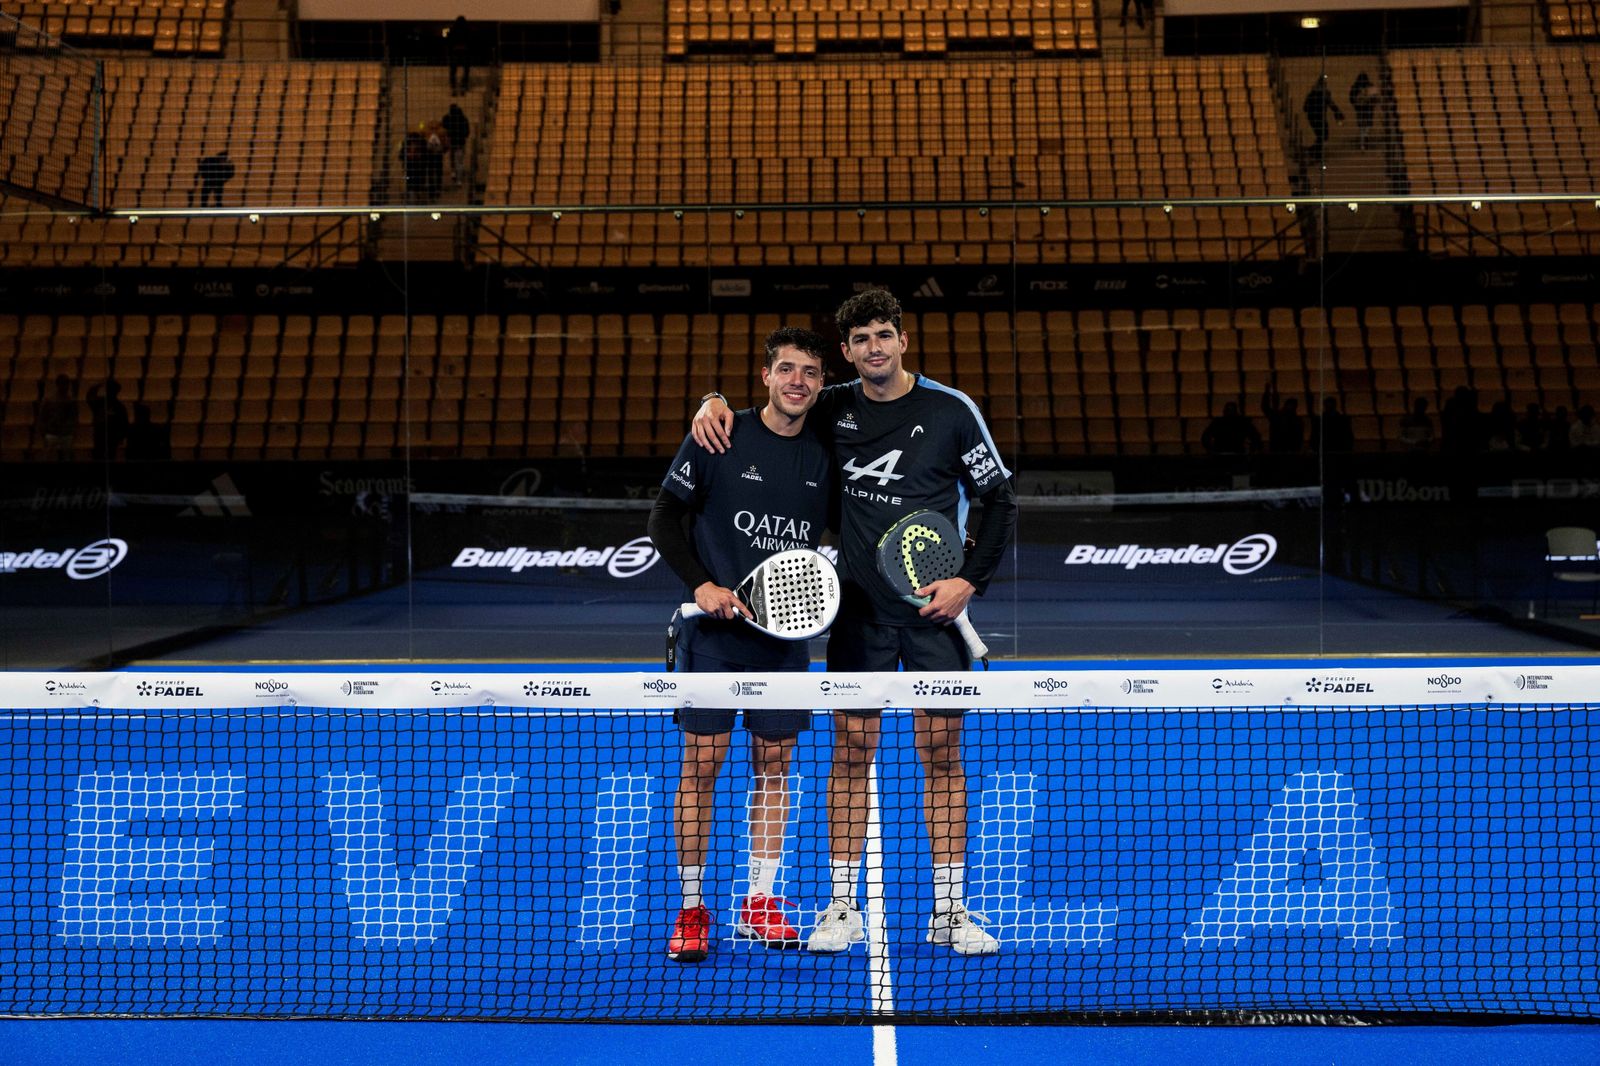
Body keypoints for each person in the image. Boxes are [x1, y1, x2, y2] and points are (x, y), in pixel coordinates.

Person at [692, 289, 1018, 957]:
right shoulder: (831, 405)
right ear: (846, 351)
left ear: (903, 340)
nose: (874, 346)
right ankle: (842, 906)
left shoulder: (951, 412)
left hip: (933, 617)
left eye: (884, 335)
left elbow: (1000, 501)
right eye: (861, 338)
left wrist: (969, 582)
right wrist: (711, 399)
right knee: (850, 755)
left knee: (942, 756)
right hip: (857, 616)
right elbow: (771, 409)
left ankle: (950, 911)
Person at [648, 327, 835, 964]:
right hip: (712, 637)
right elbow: (662, 518)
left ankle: (759, 898)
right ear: (765, 376)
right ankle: (693, 906)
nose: (798, 381)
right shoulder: (718, 434)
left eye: (810, 372)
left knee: (774, 766)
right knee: (702, 766)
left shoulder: (826, 447)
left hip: (786, 637)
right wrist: (700, 583)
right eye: (786, 369)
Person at [36, 373, 79, 459]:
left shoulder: (72, 401)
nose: (65, 386)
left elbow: (74, 418)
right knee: (47, 456)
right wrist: (43, 432)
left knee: (67, 456)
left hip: (66, 433)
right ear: (58, 385)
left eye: (66, 384)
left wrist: (72, 430)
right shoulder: (48, 400)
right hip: (51, 433)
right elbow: (42, 417)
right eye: (63, 384)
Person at [84, 381, 129, 461]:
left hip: (111, 438)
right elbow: (89, 398)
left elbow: (123, 423)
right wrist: (96, 386)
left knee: (110, 457)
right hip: (100, 435)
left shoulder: (119, 406)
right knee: (99, 457)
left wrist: (121, 437)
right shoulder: (100, 402)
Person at [1303, 76, 1344, 151]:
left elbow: (1305, 108)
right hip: (1320, 117)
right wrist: (1338, 112)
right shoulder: (1325, 95)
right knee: (1323, 135)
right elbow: (1332, 105)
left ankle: (1316, 150)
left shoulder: (1311, 94)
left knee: (1321, 135)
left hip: (1312, 116)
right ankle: (1316, 151)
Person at [1260, 383, 1304, 454]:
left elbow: (1265, 408)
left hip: (1279, 449)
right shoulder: (1296, 420)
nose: (1291, 407)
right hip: (1283, 449)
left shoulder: (1278, 416)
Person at [442, 103, 470, 184]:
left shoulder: (447, 118)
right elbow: (467, 132)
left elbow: (444, 130)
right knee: (459, 161)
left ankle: (454, 173)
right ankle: (459, 179)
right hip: (460, 143)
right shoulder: (463, 119)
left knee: (453, 159)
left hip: (451, 142)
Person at [1349, 72, 1378, 150]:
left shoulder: (1355, 87)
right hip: (1369, 108)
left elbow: (1351, 98)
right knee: (1368, 123)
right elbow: (1375, 98)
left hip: (1360, 108)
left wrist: (1355, 105)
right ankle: (1366, 135)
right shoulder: (1370, 86)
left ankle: (1362, 144)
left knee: (1361, 126)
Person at [446, 16, 471, 94]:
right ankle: (464, 85)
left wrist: (450, 52)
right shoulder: (467, 30)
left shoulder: (453, 30)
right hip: (465, 51)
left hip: (455, 51)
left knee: (453, 70)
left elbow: (449, 42)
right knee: (466, 70)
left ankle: (454, 86)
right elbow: (470, 41)